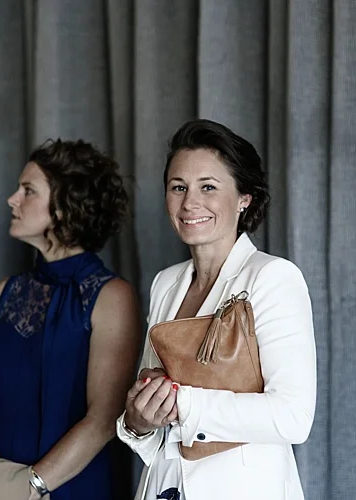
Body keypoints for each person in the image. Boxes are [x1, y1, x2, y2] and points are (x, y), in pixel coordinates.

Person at [116, 119, 317, 500]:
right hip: (163, 486)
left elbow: (293, 417)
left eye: (208, 187)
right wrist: (137, 422)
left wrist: (182, 402)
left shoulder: (273, 277)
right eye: (178, 187)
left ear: (244, 198)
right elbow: (152, 409)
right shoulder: (165, 284)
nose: (190, 203)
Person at [0, 139, 141, 499]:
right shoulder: (3, 292)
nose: (12, 200)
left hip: (72, 487)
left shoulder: (112, 296)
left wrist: (29, 487)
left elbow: (104, 417)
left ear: (66, 205)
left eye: (28, 190)